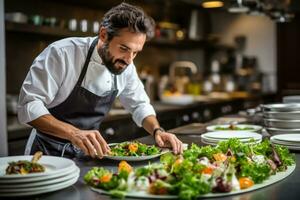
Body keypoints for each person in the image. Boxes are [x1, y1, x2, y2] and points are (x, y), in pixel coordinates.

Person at [18, 2, 183, 159]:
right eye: (124, 48)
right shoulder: (62, 54)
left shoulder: (126, 64)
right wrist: (74, 133)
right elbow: (29, 105)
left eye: (136, 52)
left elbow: (139, 105)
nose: (129, 60)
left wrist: (157, 131)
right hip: (45, 154)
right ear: (103, 35)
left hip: (88, 153)